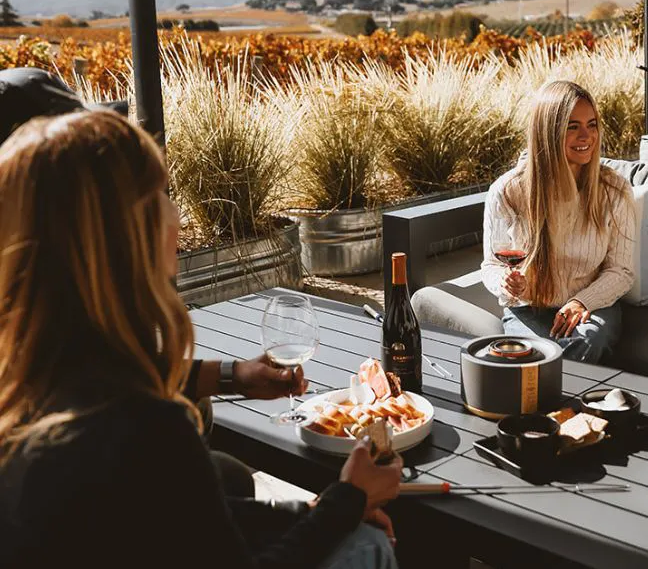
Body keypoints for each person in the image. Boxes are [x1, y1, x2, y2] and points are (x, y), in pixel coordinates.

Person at [0, 110, 402, 568]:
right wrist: (349, 498)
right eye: (161, 197)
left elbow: (183, 527)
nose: (175, 214)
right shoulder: (148, 428)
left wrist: (315, 510)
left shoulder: (28, 379)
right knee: (366, 546)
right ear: (129, 237)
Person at [0, 66, 309, 499]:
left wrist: (230, 376)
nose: (172, 215)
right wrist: (345, 505)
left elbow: (91, 378)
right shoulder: (136, 428)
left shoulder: (33, 299)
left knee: (225, 470)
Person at [480, 80, 636, 364]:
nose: (587, 136)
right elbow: (491, 265)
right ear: (547, 132)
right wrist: (505, 283)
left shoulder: (614, 189)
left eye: (592, 124)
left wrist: (581, 302)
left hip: (592, 303)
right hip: (529, 308)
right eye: (572, 127)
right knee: (537, 357)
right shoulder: (508, 190)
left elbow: (622, 271)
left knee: (585, 344)